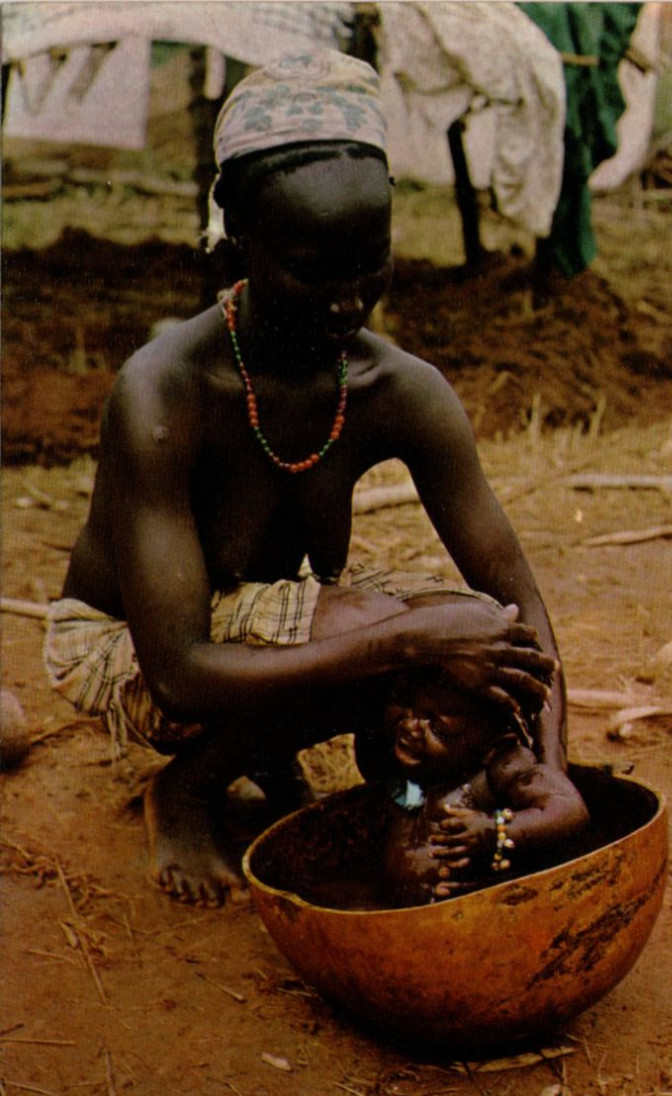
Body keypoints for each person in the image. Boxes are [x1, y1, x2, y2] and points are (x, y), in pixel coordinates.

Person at [44, 51, 565, 909]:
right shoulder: (164, 389)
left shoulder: (399, 389)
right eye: (313, 271)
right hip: (125, 648)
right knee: (397, 629)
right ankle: (190, 787)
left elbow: (519, 603)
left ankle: (391, 803)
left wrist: (550, 778)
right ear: (241, 238)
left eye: (370, 265)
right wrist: (406, 645)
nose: (347, 302)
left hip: (265, 625)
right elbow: (177, 670)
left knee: (478, 629)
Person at [368, 664, 588, 907]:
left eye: (438, 727)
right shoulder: (412, 766)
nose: (409, 726)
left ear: (491, 747)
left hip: (481, 914)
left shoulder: (501, 768)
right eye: (407, 707)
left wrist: (495, 831)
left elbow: (569, 808)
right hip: (400, 918)